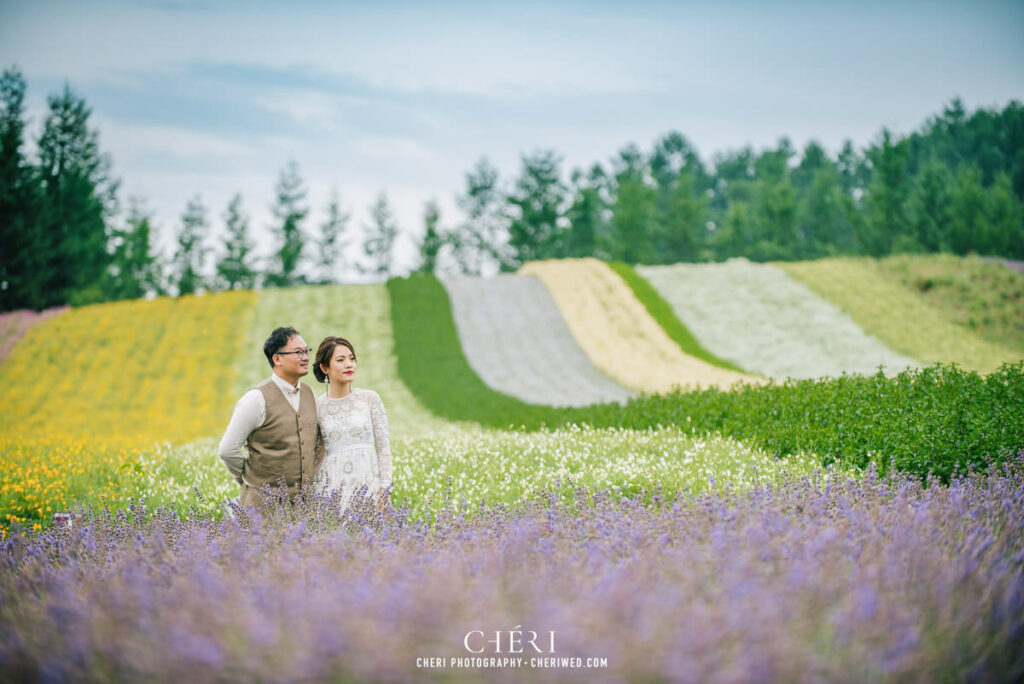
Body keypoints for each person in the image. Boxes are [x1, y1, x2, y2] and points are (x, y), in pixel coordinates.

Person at [217, 327, 323, 512]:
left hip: (303, 509)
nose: (305, 357)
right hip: (262, 507)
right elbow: (227, 450)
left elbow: (316, 444)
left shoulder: (311, 395)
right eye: (298, 352)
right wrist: (249, 479)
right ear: (277, 358)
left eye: (307, 351)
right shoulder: (255, 399)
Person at [312, 335, 392, 514]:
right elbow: (316, 454)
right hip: (332, 489)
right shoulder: (318, 407)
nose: (349, 364)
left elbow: (384, 448)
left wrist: (385, 489)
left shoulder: (370, 399)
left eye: (352, 359)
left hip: (369, 485)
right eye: (340, 360)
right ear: (325, 368)